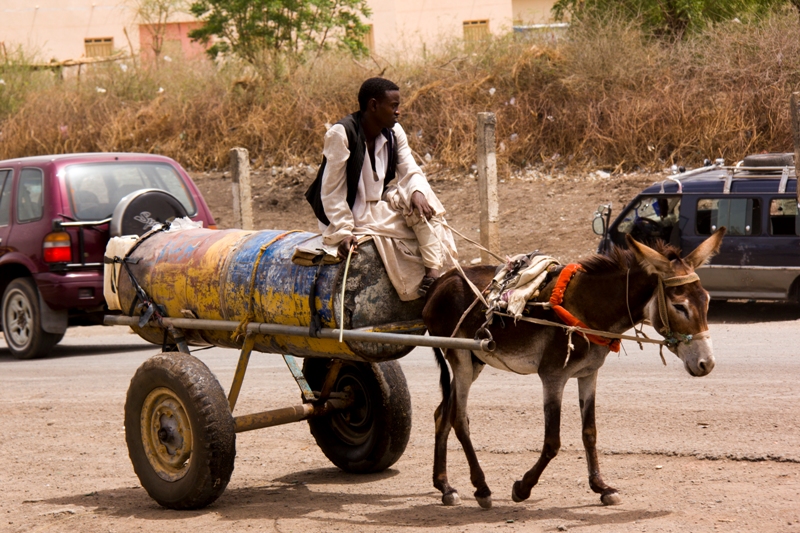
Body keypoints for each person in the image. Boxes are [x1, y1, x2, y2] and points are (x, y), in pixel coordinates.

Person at [305, 77, 456, 300]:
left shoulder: (394, 132)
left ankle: (432, 275)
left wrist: (416, 192)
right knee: (426, 230)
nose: (398, 112)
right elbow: (331, 191)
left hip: (379, 205)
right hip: (351, 213)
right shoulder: (341, 133)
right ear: (374, 105)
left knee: (425, 201)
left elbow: (410, 170)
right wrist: (344, 231)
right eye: (393, 106)